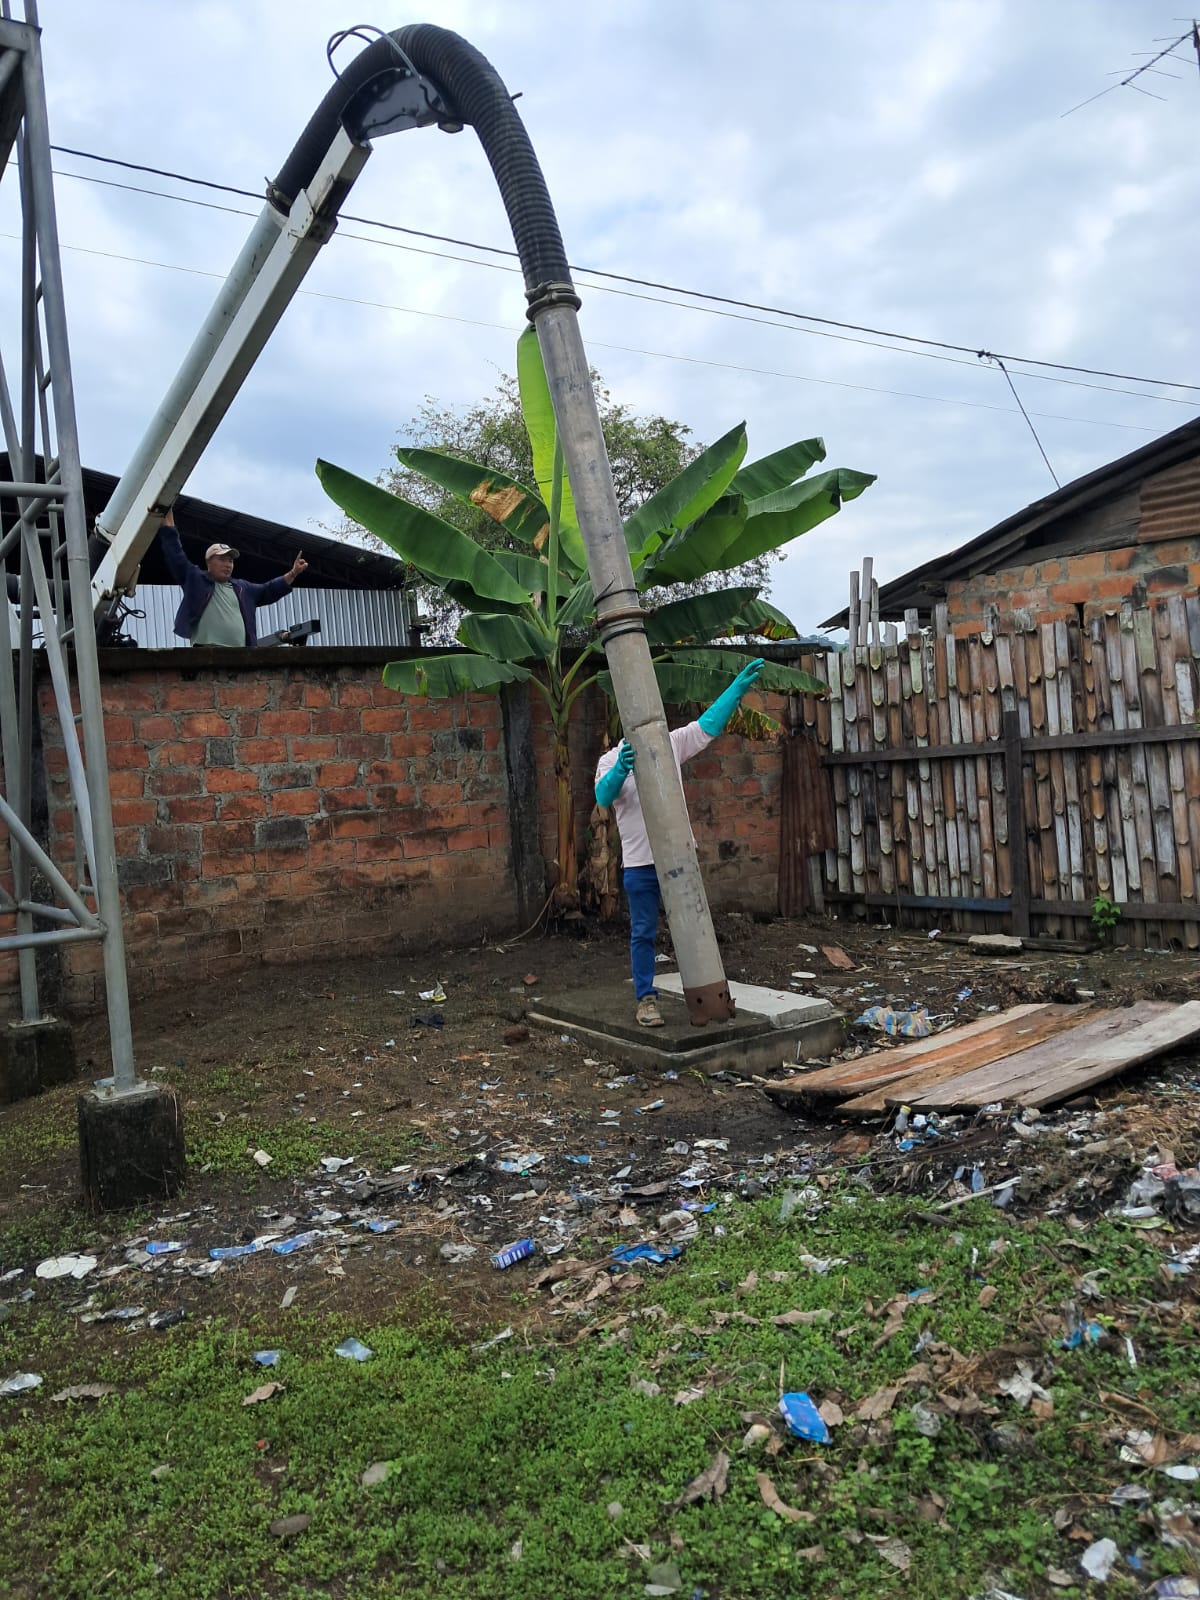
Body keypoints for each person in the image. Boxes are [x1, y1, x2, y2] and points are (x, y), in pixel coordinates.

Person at [594, 658, 765, 1027]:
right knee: (643, 933)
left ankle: (709, 999)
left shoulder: (669, 744)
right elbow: (603, 797)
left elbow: (706, 727)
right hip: (640, 864)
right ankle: (646, 1000)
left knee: (695, 927)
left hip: (678, 861)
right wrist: (622, 768)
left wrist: (736, 689)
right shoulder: (610, 760)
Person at [158, 506, 308, 647]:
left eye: (230, 561)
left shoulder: (243, 588)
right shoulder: (196, 580)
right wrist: (168, 523)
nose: (228, 564)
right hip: (206, 653)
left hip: (240, 656)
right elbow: (176, 556)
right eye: (222, 559)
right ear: (209, 562)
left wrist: (293, 573)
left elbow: (268, 590)